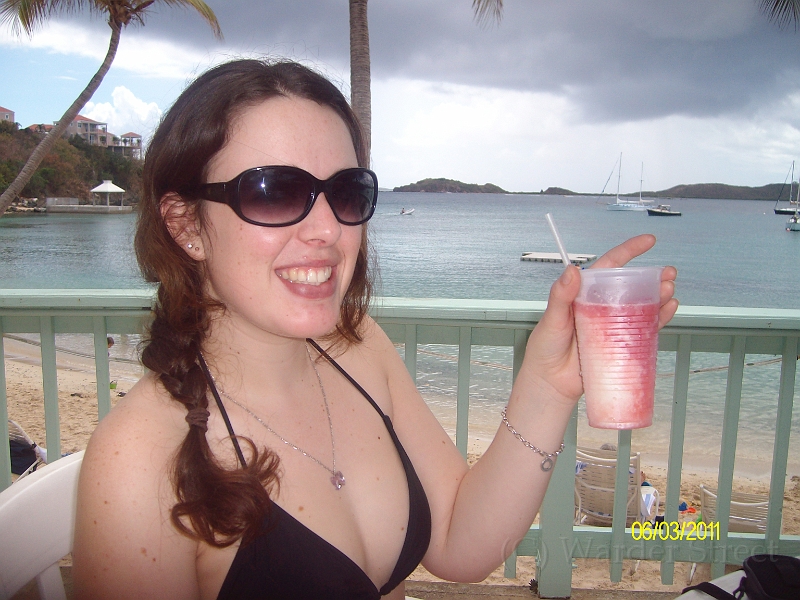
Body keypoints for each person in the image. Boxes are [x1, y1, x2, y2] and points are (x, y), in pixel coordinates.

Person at [72, 59, 678, 599]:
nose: (327, 230)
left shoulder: (358, 348)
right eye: (274, 191)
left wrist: (547, 387)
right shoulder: (138, 462)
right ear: (185, 225)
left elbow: (460, 542)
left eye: (345, 192)